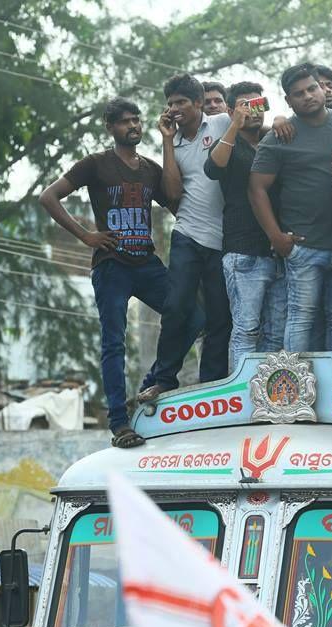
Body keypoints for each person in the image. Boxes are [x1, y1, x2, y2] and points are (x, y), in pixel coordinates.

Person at [39, 97, 188, 448]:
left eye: (136, 120)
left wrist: (169, 142)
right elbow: (49, 196)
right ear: (110, 127)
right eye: (124, 122)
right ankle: (120, 423)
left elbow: (176, 201)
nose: (132, 126)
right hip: (112, 265)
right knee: (114, 342)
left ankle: (157, 380)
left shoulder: (150, 169)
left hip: (146, 263)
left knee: (191, 313)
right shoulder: (95, 164)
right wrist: (86, 235)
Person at [249, 63, 332, 372]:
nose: (308, 96)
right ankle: (291, 392)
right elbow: (256, 189)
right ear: (289, 101)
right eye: (299, 93)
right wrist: (276, 237)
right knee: (300, 317)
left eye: (312, 88)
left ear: (323, 89)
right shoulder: (280, 136)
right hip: (304, 247)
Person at [141, 73, 234, 401]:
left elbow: (255, 133)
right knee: (176, 306)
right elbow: (172, 193)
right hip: (188, 234)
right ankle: (164, 379)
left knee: (220, 317)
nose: (175, 108)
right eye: (170, 103)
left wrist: (278, 120)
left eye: (181, 102)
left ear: (198, 103)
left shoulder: (222, 123)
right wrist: (167, 140)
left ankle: (211, 386)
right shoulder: (173, 142)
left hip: (226, 240)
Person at [204, 81, 286, 370]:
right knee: (246, 329)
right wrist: (233, 125)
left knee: (276, 334)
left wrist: (279, 121)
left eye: (260, 104)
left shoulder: (271, 140)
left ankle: (269, 402)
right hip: (243, 250)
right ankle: (243, 399)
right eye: (246, 106)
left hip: (279, 251)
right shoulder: (229, 142)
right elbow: (213, 168)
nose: (255, 111)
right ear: (230, 110)